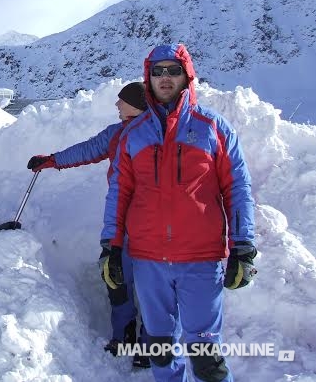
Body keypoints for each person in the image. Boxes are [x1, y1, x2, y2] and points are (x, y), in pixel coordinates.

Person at [100, 44, 257, 382]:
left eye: (173, 70)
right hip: (148, 261)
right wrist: (110, 247)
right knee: (160, 348)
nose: (165, 77)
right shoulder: (134, 133)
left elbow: (238, 188)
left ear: (187, 74)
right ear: (148, 78)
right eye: (157, 71)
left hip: (202, 260)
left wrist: (243, 245)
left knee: (205, 358)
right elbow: (119, 193)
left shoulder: (213, 128)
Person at [26, 82, 150, 369]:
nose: (117, 106)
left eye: (122, 102)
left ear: (137, 105)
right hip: (121, 221)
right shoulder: (116, 133)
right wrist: (52, 160)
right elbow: (87, 149)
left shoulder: (160, 133)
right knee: (115, 276)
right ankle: (124, 335)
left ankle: (151, 344)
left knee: (153, 287)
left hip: (156, 226)